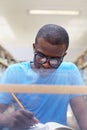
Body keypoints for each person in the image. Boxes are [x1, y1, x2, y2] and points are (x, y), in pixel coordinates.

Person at [0, 24, 87, 130]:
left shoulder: (70, 71)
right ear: (34, 47)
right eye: (41, 56)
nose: (46, 65)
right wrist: (6, 120)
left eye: (54, 60)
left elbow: (82, 115)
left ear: (63, 55)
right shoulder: (14, 72)